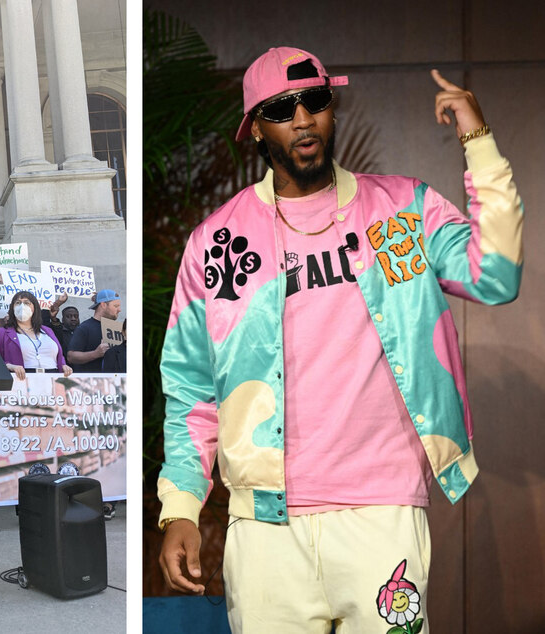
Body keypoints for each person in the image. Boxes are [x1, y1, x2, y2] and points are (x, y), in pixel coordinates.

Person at [156, 46, 523, 632]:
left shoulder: (404, 209)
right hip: (265, 528)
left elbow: (497, 275)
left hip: (382, 512)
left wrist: (479, 141)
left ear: (331, 109)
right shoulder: (217, 241)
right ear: (255, 129)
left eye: (315, 100)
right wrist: (180, 508)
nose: (303, 118)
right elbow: (191, 387)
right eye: (281, 108)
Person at [0, 291, 72, 379]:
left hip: (52, 379)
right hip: (21, 381)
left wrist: (63, 365)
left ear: (35, 307)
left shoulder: (47, 331)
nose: (22, 306)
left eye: (27, 303)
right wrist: (10, 366)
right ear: (12, 308)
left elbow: (59, 355)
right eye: (18, 303)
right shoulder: (2, 333)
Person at [67, 289, 122, 372]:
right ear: (103, 305)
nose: (119, 310)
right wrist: (96, 353)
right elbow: (71, 357)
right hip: (94, 380)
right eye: (115, 306)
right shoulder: (84, 328)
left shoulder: (117, 328)